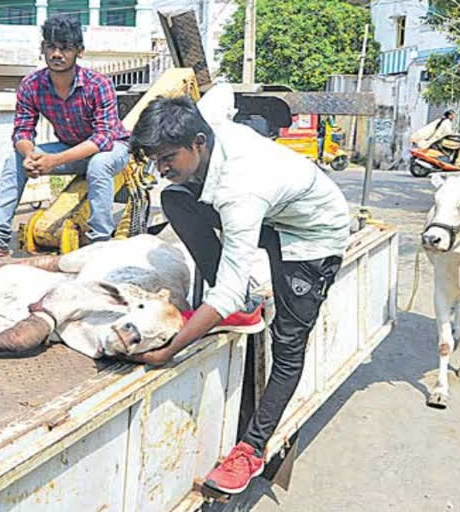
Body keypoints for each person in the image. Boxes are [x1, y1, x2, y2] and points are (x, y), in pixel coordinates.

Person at [127, 85, 350, 495]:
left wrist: (169, 350)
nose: (160, 168)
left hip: (313, 234)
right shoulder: (204, 121)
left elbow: (228, 283)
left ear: (198, 143)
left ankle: (251, 449)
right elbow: (223, 90)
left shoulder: (241, 191)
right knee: (174, 197)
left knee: (287, 342)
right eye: (155, 160)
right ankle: (243, 306)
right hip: (276, 213)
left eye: (168, 159)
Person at [0, 14, 130, 266]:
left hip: (111, 149)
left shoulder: (99, 84)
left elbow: (103, 138)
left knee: (99, 164)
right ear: (43, 49)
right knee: (14, 160)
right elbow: (22, 131)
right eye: (51, 47)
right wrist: (30, 155)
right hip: (70, 149)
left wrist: (54, 160)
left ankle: (99, 243)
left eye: (65, 48)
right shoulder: (31, 84)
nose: (57, 54)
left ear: (79, 52)